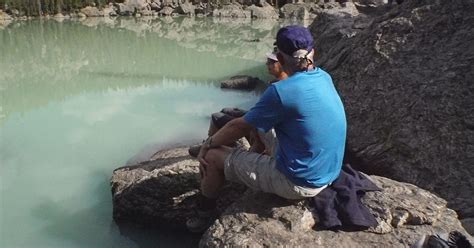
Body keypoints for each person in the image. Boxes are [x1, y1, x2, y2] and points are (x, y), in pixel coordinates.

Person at [186, 25, 347, 233]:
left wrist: (207, 146)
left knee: (214, 155)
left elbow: (238, 125)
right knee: (259, 122)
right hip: (328, 172)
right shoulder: (324, 77)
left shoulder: (282, 91)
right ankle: (250, 156)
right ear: (313, 52)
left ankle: (202, 213)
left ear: (280, 56)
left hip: (296, 182)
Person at [188, 51, 287, 157]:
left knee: (217, 117)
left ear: (281, 63)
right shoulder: (278, 83)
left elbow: (266, 120)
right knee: (226, 111)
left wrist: (254, 130)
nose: (267, 65)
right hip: (261, 125)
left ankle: (210, 147)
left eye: (271, 62)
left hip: (263, 131)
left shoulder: (279, 89)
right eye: (268, 62)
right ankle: (221, 144)